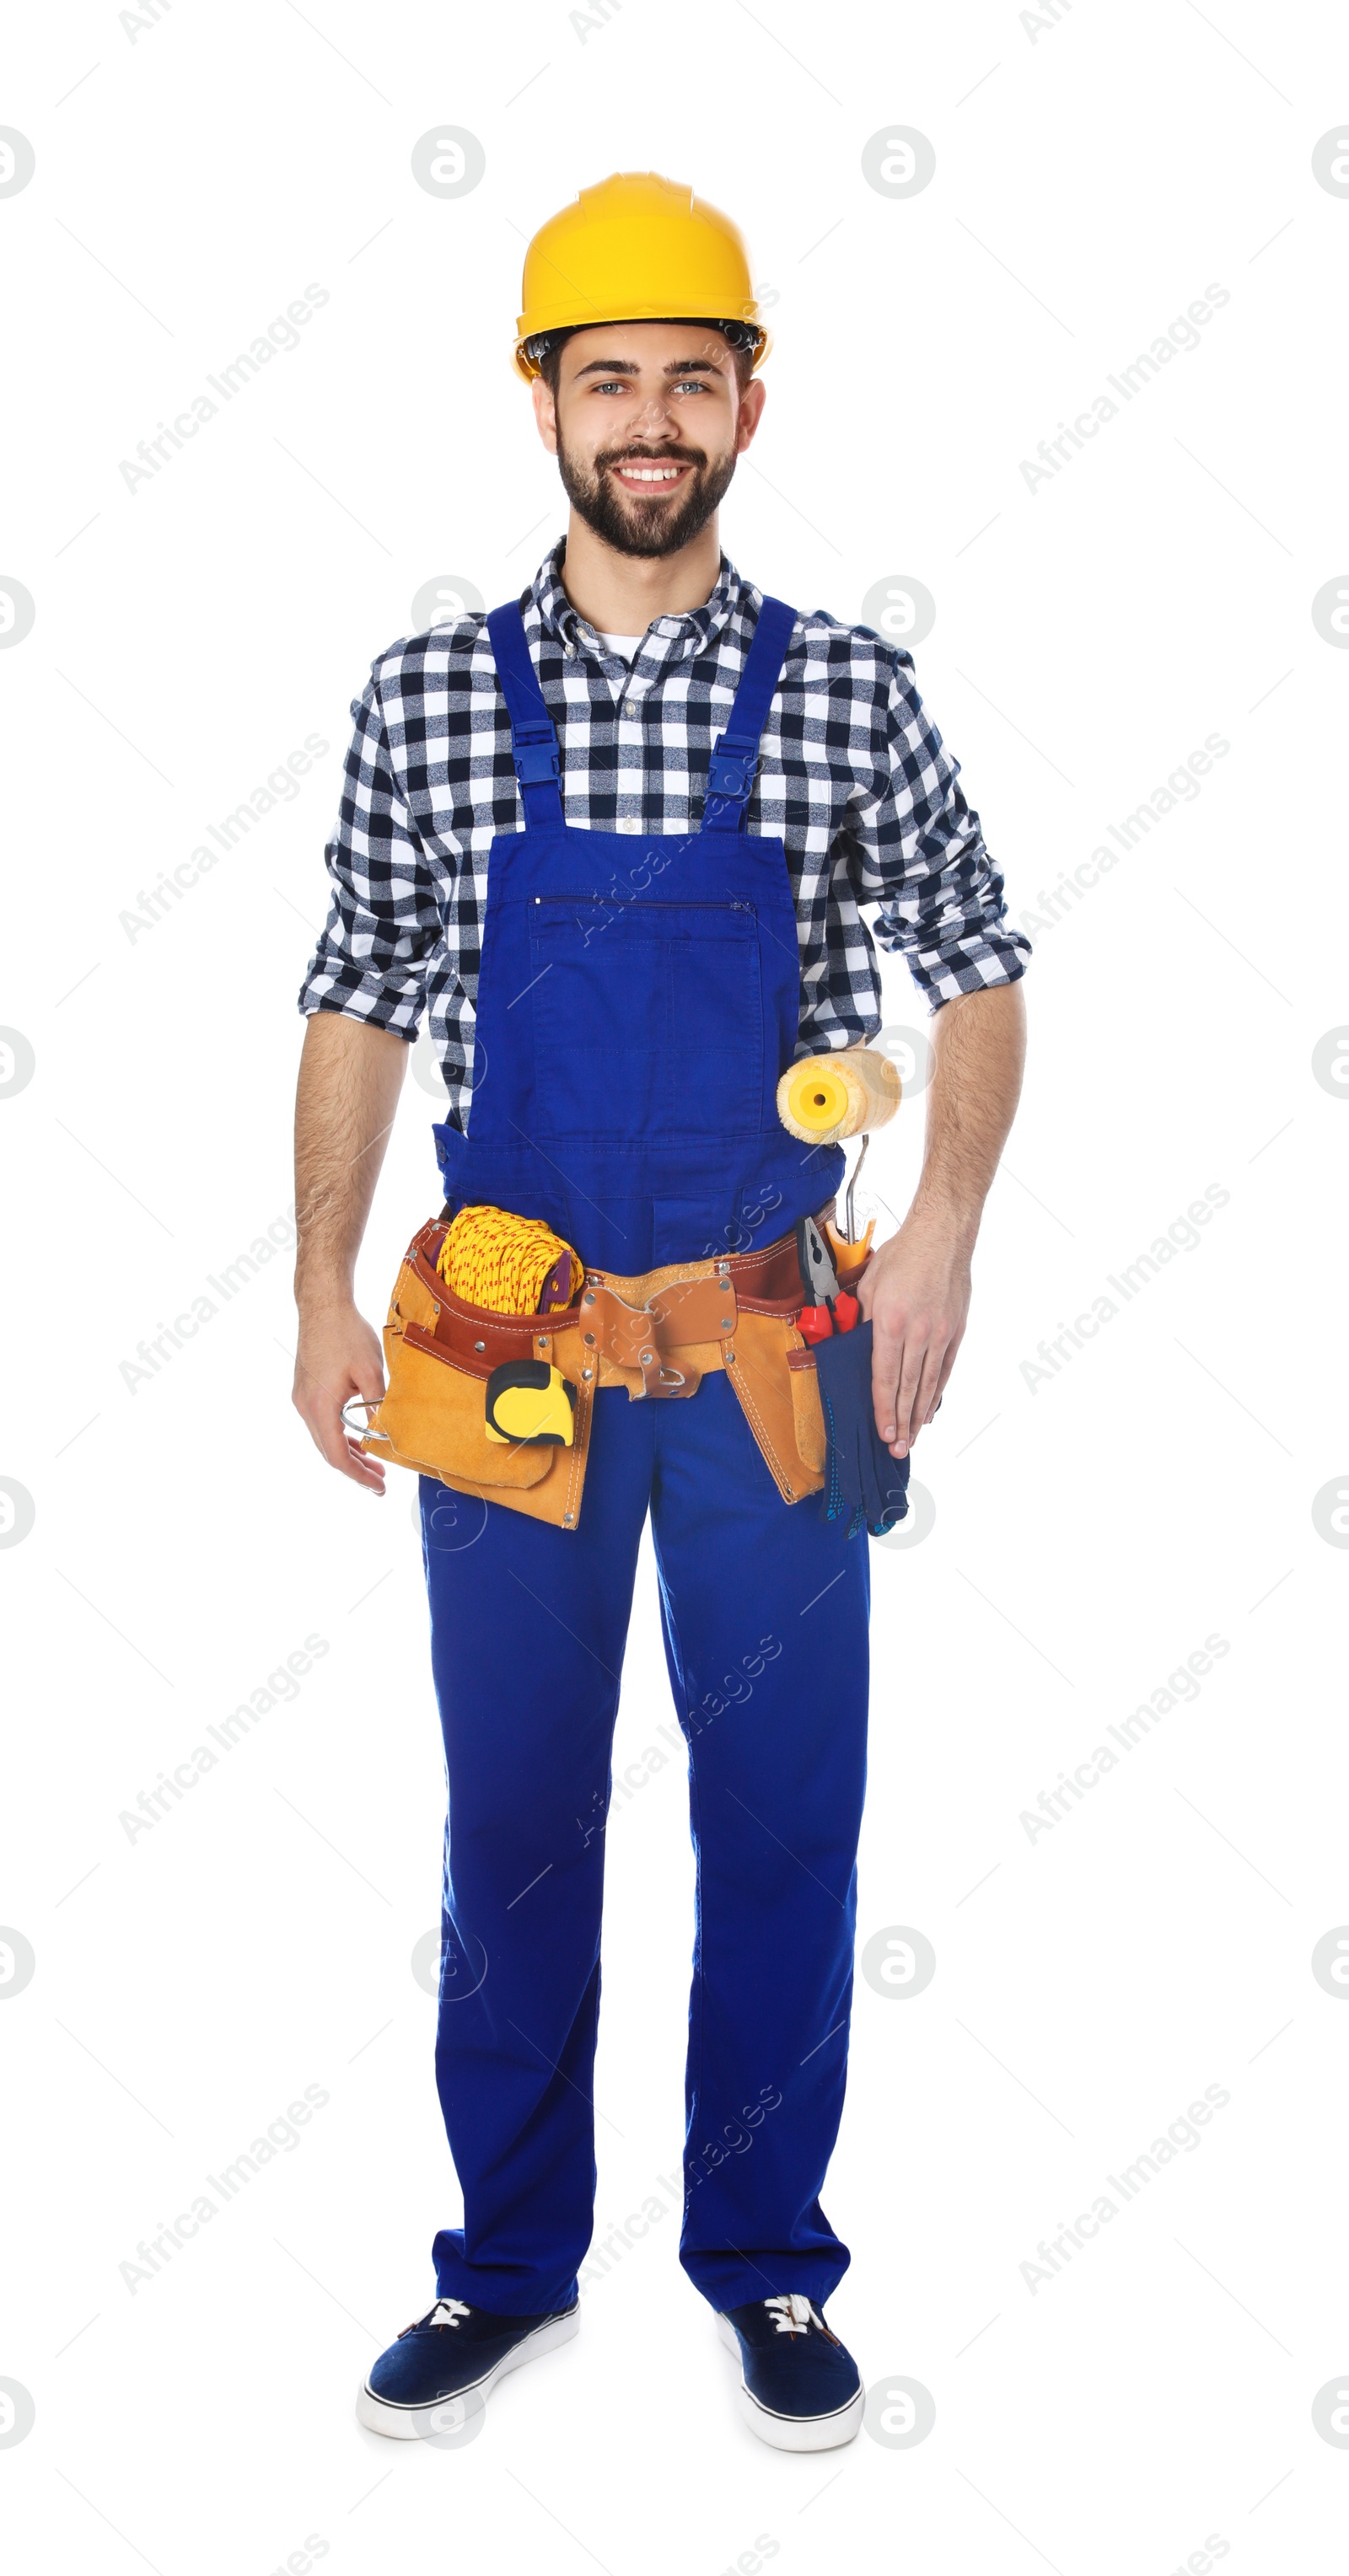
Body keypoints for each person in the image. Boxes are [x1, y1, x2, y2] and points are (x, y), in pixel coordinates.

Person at [292, 172, 1029, 2453]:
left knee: (785, 1815)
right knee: (512, 1814)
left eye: (690, 377)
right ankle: (508, 2265)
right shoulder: (426, 701)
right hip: (502, 1359)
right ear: (540, 400)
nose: (650, 417)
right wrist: (315, 1278)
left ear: (747, 400)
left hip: (773, 1364)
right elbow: (356, 999)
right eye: (605, 375)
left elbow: (983, 966)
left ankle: (768, 2266)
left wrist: (939, 1230)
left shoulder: (844, 694)